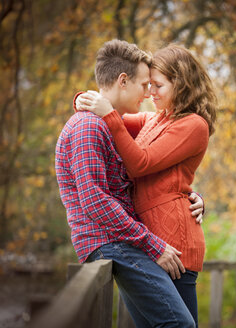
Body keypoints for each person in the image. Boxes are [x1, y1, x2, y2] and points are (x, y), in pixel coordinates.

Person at [55, 39, 205, 328]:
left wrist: (189, 194)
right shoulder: (91, 126)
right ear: (124, 81)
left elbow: (154, 169)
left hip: (130, 240)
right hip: (114, 240)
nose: (148, 93)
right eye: (145, 84)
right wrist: (152, 243)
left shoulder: (113, 123)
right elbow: (95, 199)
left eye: (156, 85)